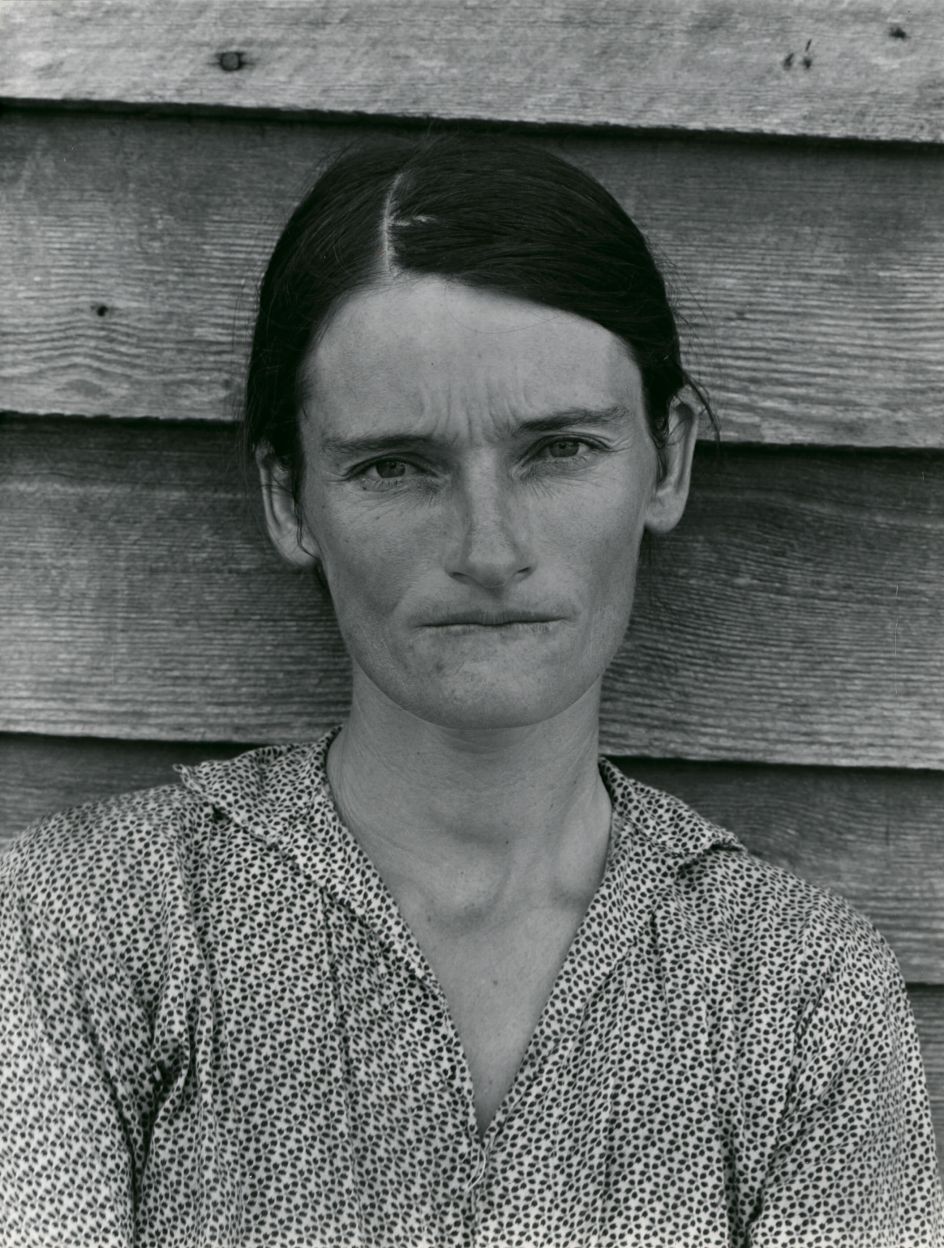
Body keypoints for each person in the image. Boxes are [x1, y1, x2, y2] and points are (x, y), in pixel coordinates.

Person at [1, 134, 941, 1248]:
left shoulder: (795, 992)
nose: (489, 548)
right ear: (290, 497)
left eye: (557, 450)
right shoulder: (75, 930)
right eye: (395, 466)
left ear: (667, 459)